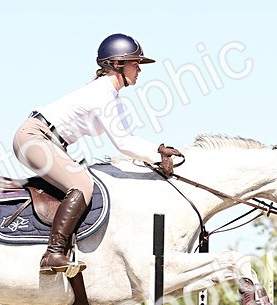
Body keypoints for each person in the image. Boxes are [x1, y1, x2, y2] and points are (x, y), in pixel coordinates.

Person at [13, 33, 183, 274]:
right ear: (117, 64)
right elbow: (123, 143)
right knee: (82, 185)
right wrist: (157, 157)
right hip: (35, 137)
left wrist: (157, 150)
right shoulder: (101, 92)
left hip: (47, 141)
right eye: (136, 63)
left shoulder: (112, 99)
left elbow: (128, 139)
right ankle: (53, 254)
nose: (139, 69)